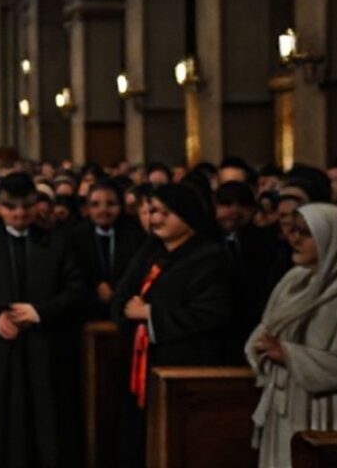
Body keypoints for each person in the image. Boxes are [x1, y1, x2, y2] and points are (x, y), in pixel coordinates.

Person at [0, 172, 85, 468]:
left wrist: (40, 311)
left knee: (44, 411)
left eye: (25, 207)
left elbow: (76, 288)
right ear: (0, 207)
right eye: (11, 207)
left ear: (35, 206)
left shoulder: (56, 242)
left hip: (43, 344)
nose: (18, 213)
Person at [111, 183, 231, 467]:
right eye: (152, 211)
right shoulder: (150, 251)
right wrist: (131, 317)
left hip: (184, 367)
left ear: (188, 215)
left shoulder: (209, 256)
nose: (156, 219)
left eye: (166, 212)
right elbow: (122, 300)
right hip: (141, 362)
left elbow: (213, 312)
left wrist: (152, 314)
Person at [246, 203, 337, 468]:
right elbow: (265, 330)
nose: (295, 238)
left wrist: (290, 355)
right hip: (285, 403)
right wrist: (261, 347)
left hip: (328, 411)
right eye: (293, 230)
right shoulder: (293, 280)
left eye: (306, 233)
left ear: (331, 237)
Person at [214, 181, 277, 363]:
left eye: (243, 205)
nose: (235, 211)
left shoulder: (266, 242)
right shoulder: (205, 242)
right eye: (227, 205)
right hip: (218, 331)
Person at [69, 180, 147, 320]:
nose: (103, 210)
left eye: (111, 204)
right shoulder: (76, 236)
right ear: (87, 208)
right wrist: (96, 284)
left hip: (126, 304)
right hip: (86, 308)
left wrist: (117, 289)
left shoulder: (135, 234)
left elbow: (137, 270)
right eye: (95, 205)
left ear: (121, 206)